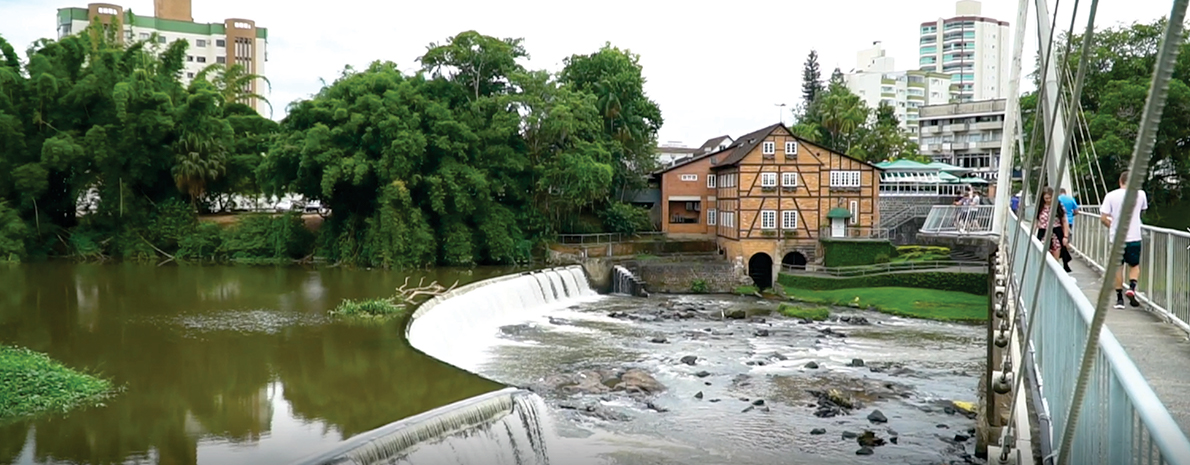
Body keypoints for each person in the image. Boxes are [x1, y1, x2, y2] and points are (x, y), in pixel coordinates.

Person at [1099, 170, 1149, 309]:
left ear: (1120, 181)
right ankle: (1131, 288)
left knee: (1118, 267)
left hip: (1117, 238)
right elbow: (1143, 210)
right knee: (1134, 265)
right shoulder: (1140, 194)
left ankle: (1119, 299)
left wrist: (1111, 225)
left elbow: (1103, 218)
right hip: (1134, 236)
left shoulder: (1111, 195)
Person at [1035, 187, 1069, 262]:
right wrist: (1033, 235)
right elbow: (1036, 221)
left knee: (1055, 257)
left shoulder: (1058, 206)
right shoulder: (1040, 207)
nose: (1048, 200)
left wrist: (1065, 236)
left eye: (1050, 198)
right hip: (1043, 233)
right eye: (1046, 198)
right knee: (1043, 257)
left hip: (1056, 233)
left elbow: (1064, 221)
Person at [1057, 188, 1079, 272]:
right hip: (1069, 221)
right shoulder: (1071, 199)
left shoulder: (1057, 199)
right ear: (1065, 193)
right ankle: (1066, 257)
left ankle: (1063, 257)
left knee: (1059, 241)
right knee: (1066, 239)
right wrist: (1071, 215)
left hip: (1058, 223)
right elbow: (1076, 211)